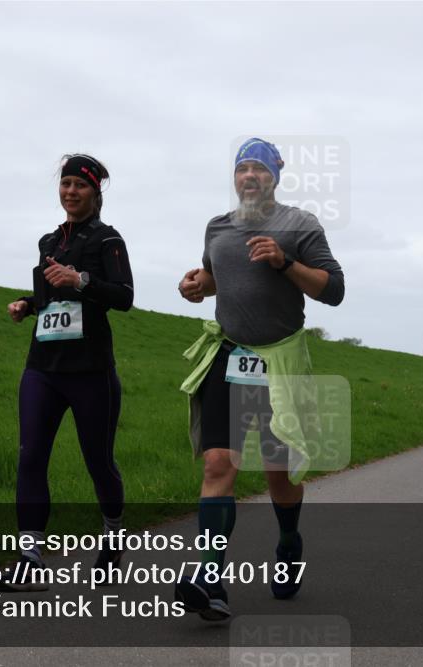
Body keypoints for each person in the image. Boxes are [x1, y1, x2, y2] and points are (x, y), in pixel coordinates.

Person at [175, 137, 345, 621]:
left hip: (279, 365)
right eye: (242, 168)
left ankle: (289, 543)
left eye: (259, 169)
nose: (249, 176)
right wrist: (197, 286)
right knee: (218, 466)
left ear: (275, 176)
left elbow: (334, 289)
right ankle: (210, 579)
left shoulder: (300, 225)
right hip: (229, 357)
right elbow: (217, 277)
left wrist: (284, 262)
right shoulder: (218, 227)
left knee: (278, 475)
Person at [1, 153, 134, 590]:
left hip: (90, 370)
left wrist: (81, 281)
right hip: (42, 367)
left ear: (95, 192)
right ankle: (30, 557)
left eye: (80, 185)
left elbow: (124, 296)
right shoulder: (49, 241)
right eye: (66, 183)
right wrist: (27, 304)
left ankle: (113, 535)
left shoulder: (108, 239)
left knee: (98, 461)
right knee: (30, 456)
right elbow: (50, 297)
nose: (71, 191)